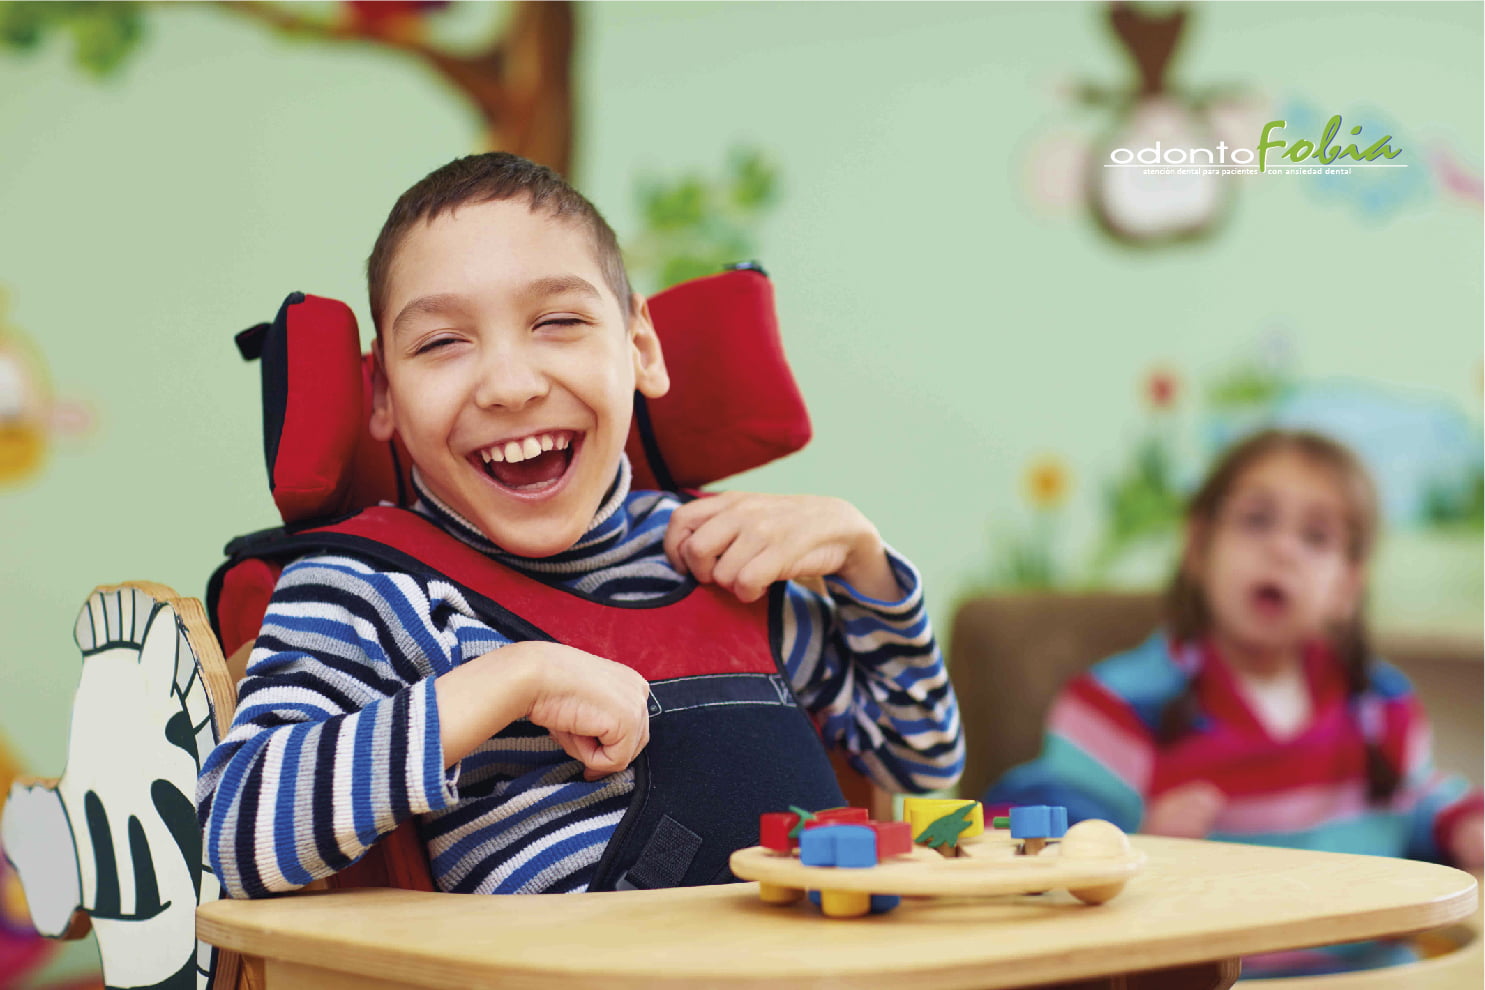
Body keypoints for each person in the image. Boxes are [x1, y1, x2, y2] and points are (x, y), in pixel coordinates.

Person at [200, 153, 963, 899]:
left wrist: (866, 564)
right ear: (383, 397)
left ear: (640, 349)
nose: (510, 385)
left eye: (558, 321)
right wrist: (508, 680)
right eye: (440, 342)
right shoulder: (368, 588)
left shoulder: (723, 557)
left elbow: (920, 765)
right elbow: (228, 834)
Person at [985, 428, 1481, 974]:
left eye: (1316, 537)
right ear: (1199, 547)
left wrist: (1461, 826)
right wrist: (1135, 848)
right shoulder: (1118, 706)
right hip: (1207, 978)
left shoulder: (1382, 708)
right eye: (1256, 520)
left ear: (1347, 588)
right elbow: (1027, 832)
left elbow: (1420, 800)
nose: (1282, 549)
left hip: (1374, 971)